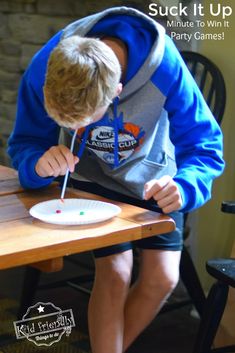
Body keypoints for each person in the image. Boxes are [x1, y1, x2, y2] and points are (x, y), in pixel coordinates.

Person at [8, 6, 225, 353]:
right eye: (68, 125)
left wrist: (186, 186)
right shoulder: (46, 66)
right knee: (116, 272)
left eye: (83, 122)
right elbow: (26, 143)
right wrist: (37, 163)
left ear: (118, 91)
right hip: (92, 180)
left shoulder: (165, 65)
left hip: (156, 178)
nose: (76, 131)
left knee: (163, 277)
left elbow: (205, 145)